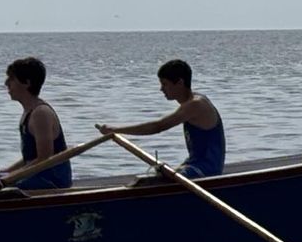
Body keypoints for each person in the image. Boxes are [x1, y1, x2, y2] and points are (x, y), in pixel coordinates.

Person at [96, 58, 225, 177]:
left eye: (165, 84)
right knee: (157, 176)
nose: (161, 89)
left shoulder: (195, 104)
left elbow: (158, 126)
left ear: (180, 82)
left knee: (158, 180)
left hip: (207, 169)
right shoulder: (191, 102)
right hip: (194, 164)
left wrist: (115, 129)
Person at [0, 55, 72, 190]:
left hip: (51, 180)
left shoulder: (41, 114)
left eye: (11, 79)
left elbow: (44, 159)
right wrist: (4, 172)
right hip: (36, 176)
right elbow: (29, 158)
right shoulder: (29, 112)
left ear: (27, 83)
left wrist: (4, 179)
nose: (6, 83)